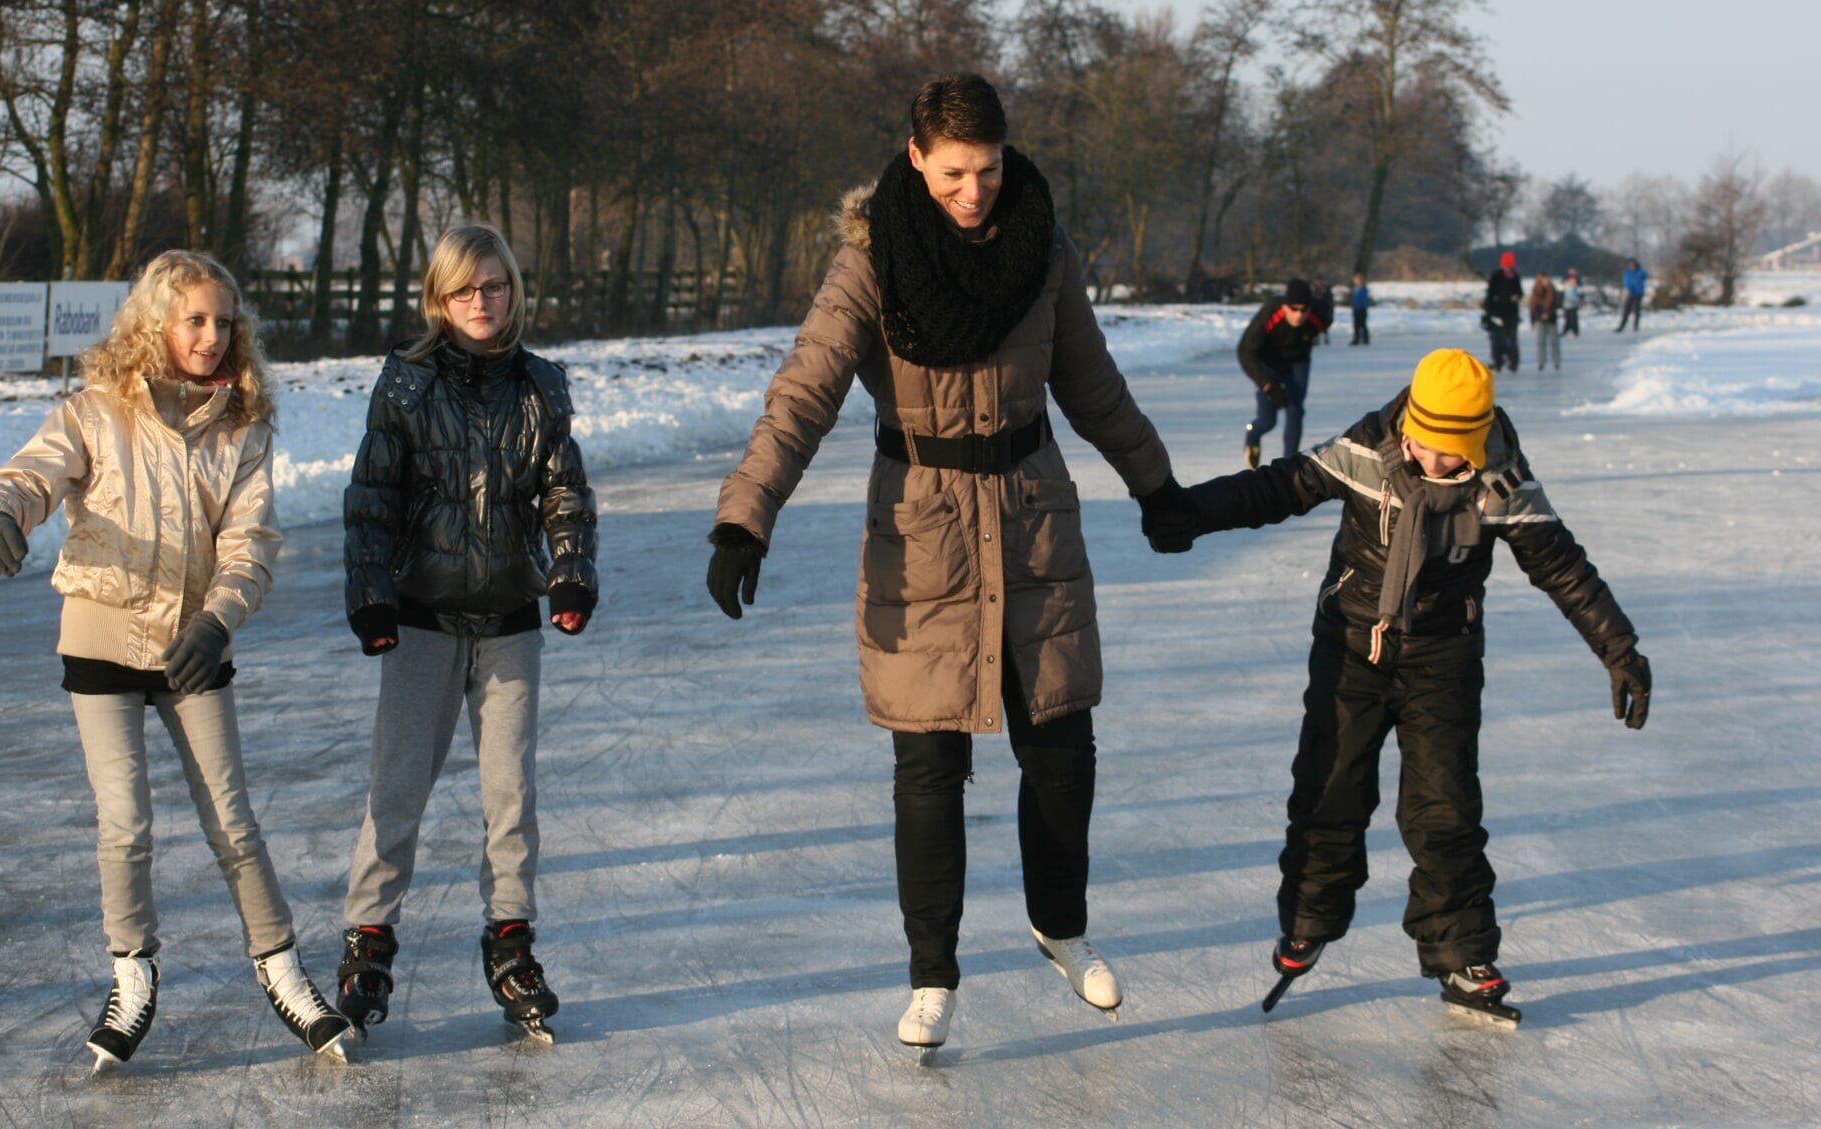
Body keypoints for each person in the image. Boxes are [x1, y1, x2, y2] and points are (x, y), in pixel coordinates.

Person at [703, 74, 1194, 1053]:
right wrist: (743, 520)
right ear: (918, 156)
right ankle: (931, 970)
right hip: (922, 529)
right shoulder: (872, 262)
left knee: (1060, 748)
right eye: (957, 172)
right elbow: (802, 392)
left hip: (1032, 517)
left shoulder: (1040, 250)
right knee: (927, 760)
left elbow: (1092, 386)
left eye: (991, 168)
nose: (975, 191)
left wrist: (1157, 485)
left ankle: (1058, 925)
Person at [1172, 347, 1651, 1021]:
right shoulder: (1366, 450)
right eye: (1425, 445)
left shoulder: (1500, 477)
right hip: (1349, 649)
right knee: (1329, 789)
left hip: (1443, 657)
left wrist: (1617, 644)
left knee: (1444, 809)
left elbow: (1558, 561)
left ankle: (1460, 954)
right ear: (1407, 425)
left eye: (1453, 453)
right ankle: (1309, 918)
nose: (1435, 462)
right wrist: (1189, 511)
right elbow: (1278, 487)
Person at [0, 250, 354, 1069]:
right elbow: (32, 474)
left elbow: (251, 542)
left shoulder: (240, 425)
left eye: (223, 321)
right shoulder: (95, 409)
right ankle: (132, 972)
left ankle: (281, 965)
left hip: (192, 645)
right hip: (103, 637)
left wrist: (218, 622)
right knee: (127, 821)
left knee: (233, 817)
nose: (211, 337)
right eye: (194, 320)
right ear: (156, 323)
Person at [338, 223, 598, 1043]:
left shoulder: (541, 387)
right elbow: (371, 497)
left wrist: (571, 571)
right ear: (438, 299)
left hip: (510, 618)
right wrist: (371, 595)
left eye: (495, 288)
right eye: (464, 291)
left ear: (513, 292)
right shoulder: (407, 385)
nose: (482, 303)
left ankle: (511, 940)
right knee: (398, 787)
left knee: (509, 796)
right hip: (419, 617)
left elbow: (565, 494)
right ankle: (369, 942)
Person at [1238, 277, 1327, 469]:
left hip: (1298, 363)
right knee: (1268, 421)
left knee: (1295, 410)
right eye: (1293, 309)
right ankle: (1253, 434)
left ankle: (1289, 467)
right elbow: (1244, 351)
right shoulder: (1269, 314)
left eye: (1304, 310)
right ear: (1285, 306)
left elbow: (1325, 319)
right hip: (1268, 364)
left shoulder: (1320, 315)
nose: (1298, 315)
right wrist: (1267, 384)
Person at [1482, 251, 1522, 373]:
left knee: (1512, 339)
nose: (1508, 267)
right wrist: (1489, 313)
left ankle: (1513, 362)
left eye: (1510, 265)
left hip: (1511, 313)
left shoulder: (1515, 276)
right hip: (1497, 313)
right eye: (1506, 264)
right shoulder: (1496, 276)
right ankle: (1497, 361)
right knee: (1497, 339)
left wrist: (1517, 296)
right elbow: (1489, 296)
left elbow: (1520, 292)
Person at [1528, 272, 1562, 371]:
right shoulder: (1536, 292)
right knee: (1541, 342)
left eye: (1547, 279)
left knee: (1554, 341)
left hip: (1551, 319)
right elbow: (1533, 307)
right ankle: (1541, 362)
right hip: (1540, 319)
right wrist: (1534, 319)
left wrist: (1549, 314)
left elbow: (1556, 305)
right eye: (1544, 280)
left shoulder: (1553, 291)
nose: (1546, 282)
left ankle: (1556, 362)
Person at [1616, 258, 1647, 332]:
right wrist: (1628, 289)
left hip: (1638, 293)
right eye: (1631, 265)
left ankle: (1635, 326)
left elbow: (1645, 276)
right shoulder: (1627, 273)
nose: (1632, 266)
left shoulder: (1640, 272)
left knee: (1636, 310)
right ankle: (1622, 326)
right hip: (1630, 293)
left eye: (1633, 265)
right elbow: (1625, 282)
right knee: (1626, 310)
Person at [1349, 273, 1372, 346]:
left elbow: (1364, 300)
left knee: (1362, 324)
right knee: (1356, 325)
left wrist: (1362, 307)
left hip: (1362, 309)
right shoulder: (1356, 289)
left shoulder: (1363, 289)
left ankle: (1365, 339)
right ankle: (1356, 339)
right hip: (1356, 309)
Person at [1559, 268, 1583, 337]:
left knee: (1574, 318)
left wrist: (1580, 300)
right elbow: (1562, 293)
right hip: (1567, 304)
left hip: (1573, 304)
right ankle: (1567, 330)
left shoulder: (1577, 285)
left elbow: (1580, 293)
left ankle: (1575, 331)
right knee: (1568, 318)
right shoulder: (1566, 285)